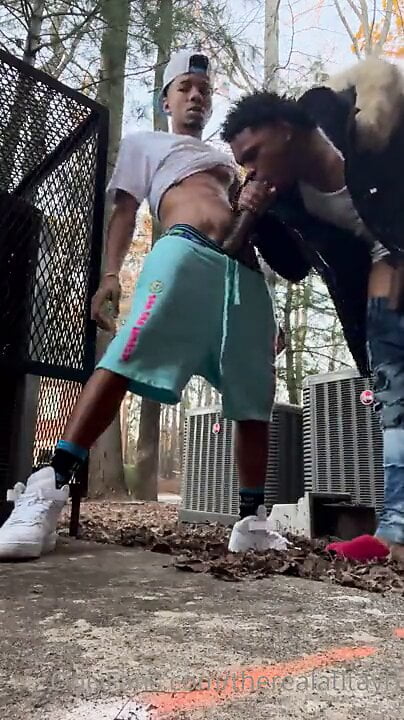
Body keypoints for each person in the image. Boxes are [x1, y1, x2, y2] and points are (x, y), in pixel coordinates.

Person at [0, 49, 307, 561]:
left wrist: (270, 301)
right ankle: (48, 488)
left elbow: (250, 227)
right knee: (125, 353)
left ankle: (251, 521)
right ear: (166, 99)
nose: (195, 96)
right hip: (184, 254)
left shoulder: (228, 161)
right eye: (185, 88)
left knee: (255, 396)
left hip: (246, 278)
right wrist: (110, 276)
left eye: (203, 90)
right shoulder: (144, 143)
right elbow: (125, 212)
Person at [221, 55, 404, 565]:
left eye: (253, 154)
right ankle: (396, 533)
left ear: (285, 128)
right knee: (395, 404)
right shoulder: (287, 200)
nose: (251, 168)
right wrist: (254, 217)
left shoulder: (361, 121)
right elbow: (293, 268)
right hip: (377, 294)